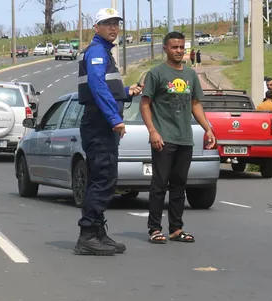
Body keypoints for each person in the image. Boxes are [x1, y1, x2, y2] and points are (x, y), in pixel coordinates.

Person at [75, 7, 143, 256]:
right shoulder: (96, 52)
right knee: (103, 179)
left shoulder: (103, 52)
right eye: (107, 23)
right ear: (97, 27)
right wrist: (115, 118)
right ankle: (87, 235)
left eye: (116, 23)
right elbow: (96, 86)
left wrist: (126, 93)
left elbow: (106, 88)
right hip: (99, 124)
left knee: (102, 179)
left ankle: (97, 232)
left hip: (101, 123)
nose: (113, 28)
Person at [139, 31, 216, 244]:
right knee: (159, 184)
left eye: (182, 47)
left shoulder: (191, 75)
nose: (179, 51)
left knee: (179, 185)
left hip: (185, 138)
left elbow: (195, 104)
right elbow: (145, 104)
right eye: (174, 47)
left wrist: (208, 129)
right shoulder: (156, 74)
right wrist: (153, 131)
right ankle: (154, 228)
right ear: (165, 49)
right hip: (163, 138)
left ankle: (176, 228)